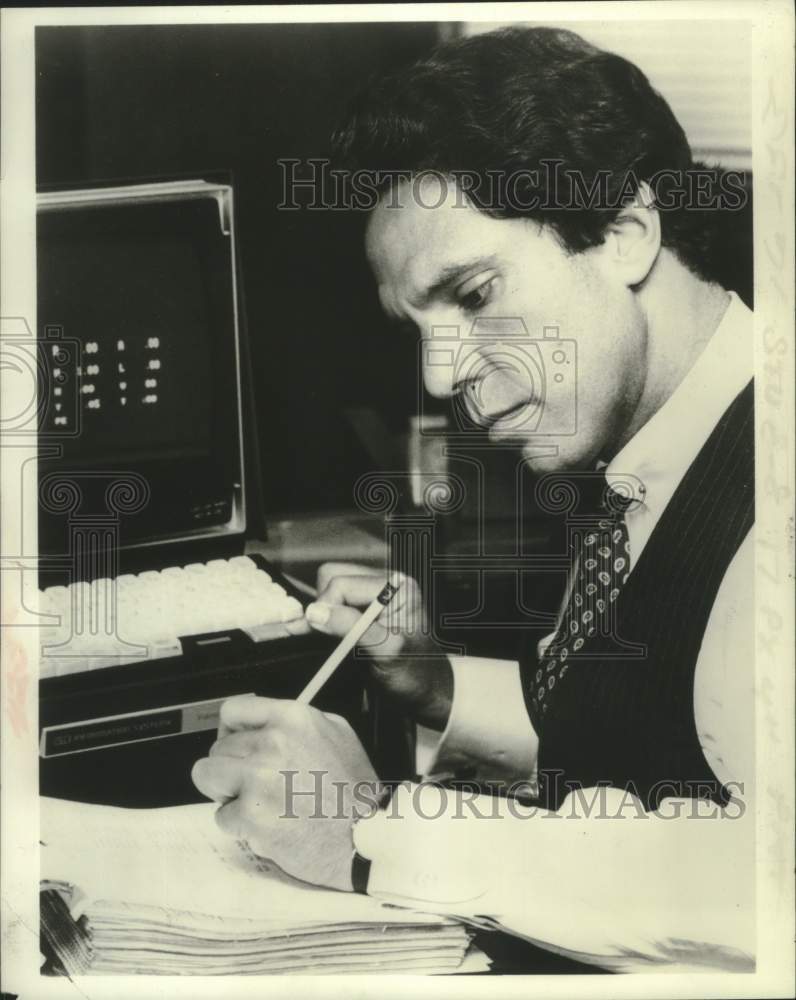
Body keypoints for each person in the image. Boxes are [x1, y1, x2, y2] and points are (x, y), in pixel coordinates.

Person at [191, 27, 755, 971]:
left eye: (475, 293)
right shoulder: (647, 445)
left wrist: (373, 828)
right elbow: (656, 756)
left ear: (625, 235)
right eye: (418, 325)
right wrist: (435, 681)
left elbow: (761, 877)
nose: (440, 372)